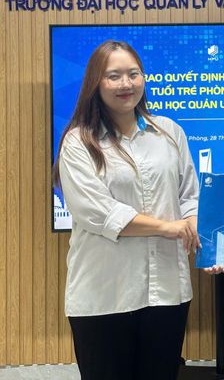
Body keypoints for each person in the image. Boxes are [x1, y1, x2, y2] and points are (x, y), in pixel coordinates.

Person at [53, 39, 199, 380]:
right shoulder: (79, 141)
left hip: (167, 291)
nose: (126, 84)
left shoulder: (169, 132)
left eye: (133, 74)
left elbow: (189, 194)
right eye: (114, 76)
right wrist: (169, 228)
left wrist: (195, 225)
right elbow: (98, 213)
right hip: (105, 293)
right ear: (96, 83)